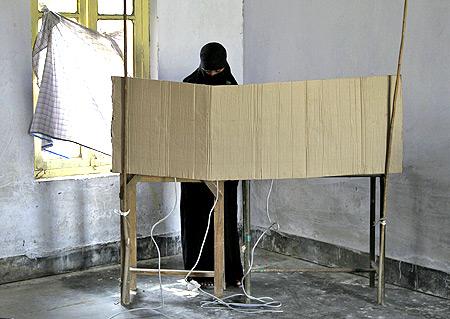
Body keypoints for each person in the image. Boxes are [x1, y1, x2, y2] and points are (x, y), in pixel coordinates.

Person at [181, 42, 243, 288]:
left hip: (225, 162)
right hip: (195, 163)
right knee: (195, 217)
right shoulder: (188, 85)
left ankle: (228, 273)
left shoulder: (233, 89)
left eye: (217, 72)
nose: (213, 75)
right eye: (209, 72)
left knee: (225, 217)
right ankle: (198, 273)